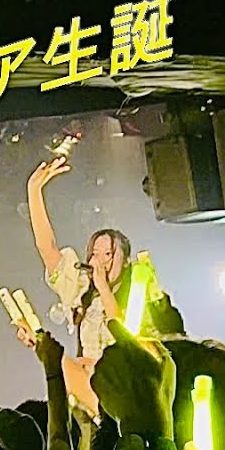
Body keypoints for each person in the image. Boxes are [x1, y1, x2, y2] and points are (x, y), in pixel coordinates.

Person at [24, 156, 175, 413]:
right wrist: (34, 191)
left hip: (126, 395)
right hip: (85, 395)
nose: (101, 261)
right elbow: (46, 246)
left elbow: (124, 334)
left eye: (108, 254)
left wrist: (104, 286)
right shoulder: (81, 289)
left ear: (125, 261)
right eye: (95, 253)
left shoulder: (140, 294)